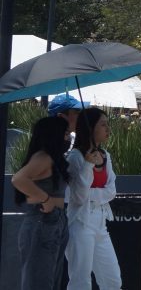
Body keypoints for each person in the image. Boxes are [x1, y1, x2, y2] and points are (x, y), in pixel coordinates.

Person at [10, 116, 70, 290]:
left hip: (56, 220)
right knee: (39, 282)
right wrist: (46, 199)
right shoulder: (43, 157)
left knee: (51, 280)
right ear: (54, 134)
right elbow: (18, 179)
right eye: (65, 133)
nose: (68, 137)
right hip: (43, 220)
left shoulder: (54, 158)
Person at [65, 107, 120, 290]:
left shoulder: (106, 156)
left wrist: (92, 195)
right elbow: (78, 196)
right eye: (103, 124)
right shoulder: (75, 157)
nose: (108, 129)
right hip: (80, 223)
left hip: (101, 223)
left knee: (113, 281)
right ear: (90, 127)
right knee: (81, 281)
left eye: (107, 124)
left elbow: (112, 191)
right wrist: (88, 165)